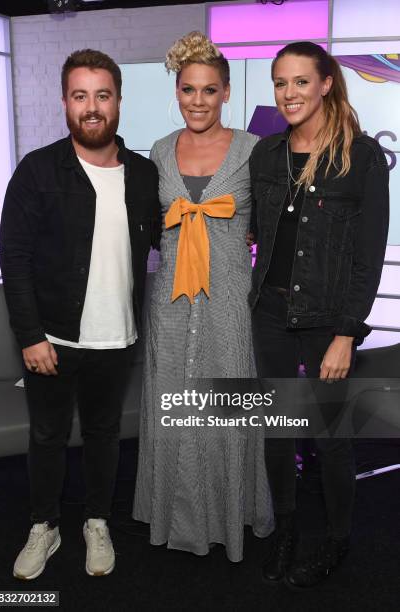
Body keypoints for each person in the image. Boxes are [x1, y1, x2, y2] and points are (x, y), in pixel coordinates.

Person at [0, 49, 160, 579]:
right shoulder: (38, 170)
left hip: (117, 338)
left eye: (102, 95)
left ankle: (97, 522)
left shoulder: (143, 174)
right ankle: (44, 526)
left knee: (103, 435)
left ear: (118, 100)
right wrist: (30, 335)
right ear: (65, 102)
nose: (92, 107)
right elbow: (15, 258)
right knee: (46, 436)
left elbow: (169, 238)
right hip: (53, 338)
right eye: (80, 96)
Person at [249, 42, 389, 587]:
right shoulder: (267, 154)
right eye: (281, 83)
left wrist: (346, 334)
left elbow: (367, 257)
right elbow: (258, 233)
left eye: (301, 82)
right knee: (278, 431)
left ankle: (336, 540)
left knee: (331, 436)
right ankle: (285, 530)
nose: (289, 94)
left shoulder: (361, 157)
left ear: (326, 83)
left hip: (328, 320)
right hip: (270, 314)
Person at [133, 31, 274, 562]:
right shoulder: (161, 151)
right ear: (177, 92)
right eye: (188, 90)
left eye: (209, 90)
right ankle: (175, 519)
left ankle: (232, 514)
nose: (198, 100)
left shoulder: (253, 151)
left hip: (230, 306)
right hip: (170, 307)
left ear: (226, 92)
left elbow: (271, 224)